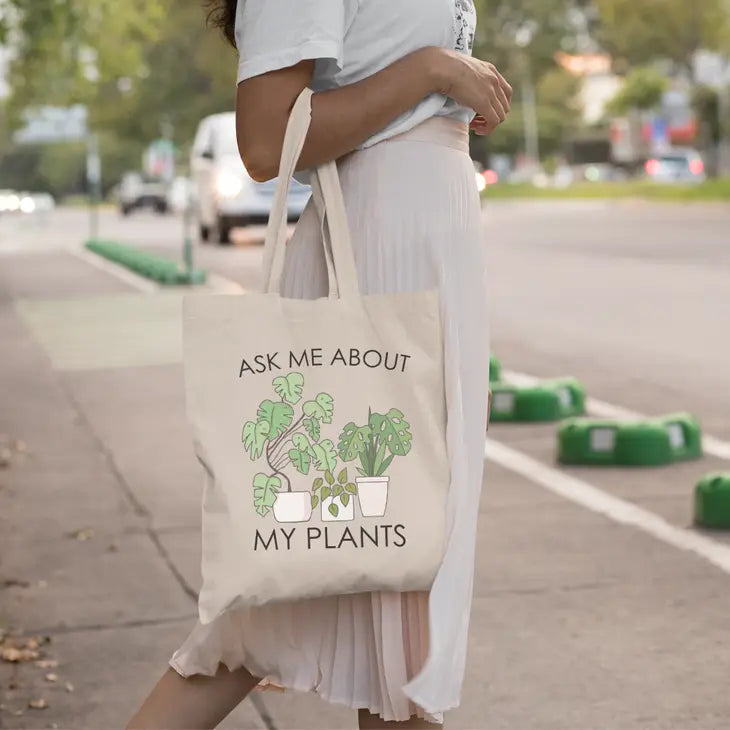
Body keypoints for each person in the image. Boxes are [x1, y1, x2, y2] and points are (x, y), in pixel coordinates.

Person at [127, 1, 510, 728]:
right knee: (398, 602)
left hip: (427, 252)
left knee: (340, 602)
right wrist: (432, 70)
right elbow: (267, 141)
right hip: (379, 262)